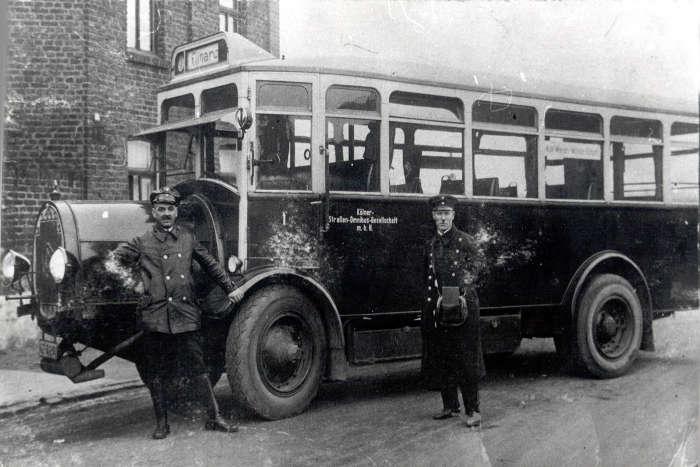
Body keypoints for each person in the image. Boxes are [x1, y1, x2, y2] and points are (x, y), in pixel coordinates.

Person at [113, 186, 244, 439]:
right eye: (161, 209)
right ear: (154, 212)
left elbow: (212, 265)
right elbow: (115, 260)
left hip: (185, 314)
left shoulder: (187, 238)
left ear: (176, 212)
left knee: (199, 369)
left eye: (170, 209)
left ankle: (214, 417)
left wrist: (230, 288)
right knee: (157, 374)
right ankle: (162, 424)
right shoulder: (142, 242)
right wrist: (136, 286)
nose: (165, 214)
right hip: (156, 317)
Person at [421, 194, 484, 428]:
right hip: (438, 305)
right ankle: (450, 406)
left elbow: (477, 268)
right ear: (433, 216)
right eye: (438, 214)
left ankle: (473, 410)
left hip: (461, 305)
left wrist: (459, 293)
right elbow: (426, 276)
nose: (442, 218)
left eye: (446, 214)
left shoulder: (465, 241)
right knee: (442, 355)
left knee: (466, 359)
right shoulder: (431, 243)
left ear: (453, 215)